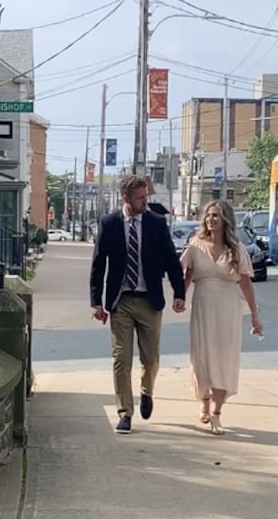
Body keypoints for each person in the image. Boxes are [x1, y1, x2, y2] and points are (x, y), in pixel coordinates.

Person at [90, 175, 186, 435]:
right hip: (120, 301)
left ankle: (147, 392)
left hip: (149, 300)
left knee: (151, 359)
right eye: (141, 198)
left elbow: (170, 258)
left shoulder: (156, 223)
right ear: (126, 199)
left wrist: (180, 292)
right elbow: (99, 264)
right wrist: (96, 302)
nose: (146, 201)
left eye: (147, 196)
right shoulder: (109, 224)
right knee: (121, 359)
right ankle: (124, 412)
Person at [179, 200, 263, 435]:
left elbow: (245, 283)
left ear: (225, 219)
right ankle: (204, 400)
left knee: (224, 359)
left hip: (227, 308)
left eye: (215, 215)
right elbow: (186, 275)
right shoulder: (195, 245)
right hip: (203, 305)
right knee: (202, 358)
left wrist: (255, 315)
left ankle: (217, 413)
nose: (210, 219)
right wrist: (179, 298)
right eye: (208, 216)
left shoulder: (236, 250)